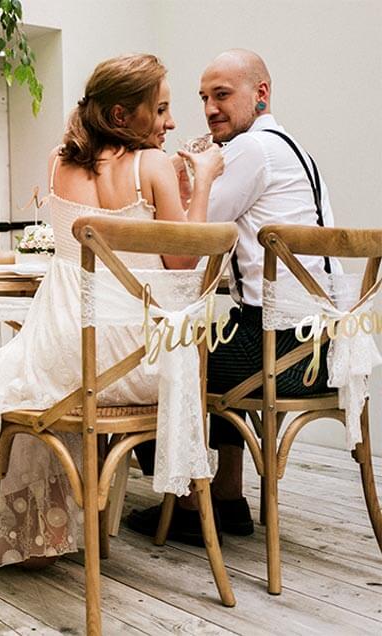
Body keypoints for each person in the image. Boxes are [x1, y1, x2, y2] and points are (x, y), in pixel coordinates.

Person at [0, 53, 224, 569]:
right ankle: (62, 525)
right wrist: (204, 178)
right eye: (162, 109)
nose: (171, 122)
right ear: (123, 115)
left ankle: (38, 530)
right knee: (2, 381)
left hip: (68, 362)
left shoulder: (60, 162)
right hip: (148, 367)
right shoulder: (155, 166)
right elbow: (184, 262)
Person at [128, 49, 335, 545]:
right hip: (324, 348)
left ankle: (185, 502)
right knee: (215, 338)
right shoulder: (293, 149)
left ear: (260, 93)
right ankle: (227, 496)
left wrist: (185, 179)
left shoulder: (250, 150)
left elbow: (187, 242)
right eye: (203, 98)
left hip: (285, 353)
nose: (209, 108)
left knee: (151, 362)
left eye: (222, 95)